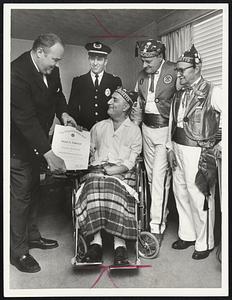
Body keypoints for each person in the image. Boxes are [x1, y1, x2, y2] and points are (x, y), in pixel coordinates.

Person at [11, 33, 78, 273]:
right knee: (20, 199)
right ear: (39, 52)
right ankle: (18, 252)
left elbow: (57, 95)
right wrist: (49, 153)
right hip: (18, 146)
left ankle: (32, 236)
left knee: (34, 192)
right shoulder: (15, 74)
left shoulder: (50, 70)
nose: (57, 65)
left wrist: (65, 114)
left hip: (38, 142)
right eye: (55, 59)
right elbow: (25, 120)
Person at [75, 88, 142, 265]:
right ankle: (96, 243)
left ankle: (119, 246)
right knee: (93, 185)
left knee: (111, 186)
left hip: (122, 175)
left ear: (126, 106)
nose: (109, 102)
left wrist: (115, 170)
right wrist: (80, 145)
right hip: (97, 171)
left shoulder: (134, 130)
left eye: (115, 100)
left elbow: (131, 161)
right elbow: (87, 153)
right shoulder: (98, 127)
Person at [167, 45, 222, 260]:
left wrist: (221, 143)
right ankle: (187, 234)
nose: (178, 74)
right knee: (180, 191)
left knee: (199, 194)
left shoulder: (213, 91)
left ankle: (204, 241)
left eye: (183, 70)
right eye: (177, 70)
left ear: (197, 67)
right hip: (178, 147)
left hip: (198, 150)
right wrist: (170, 147)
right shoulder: (179, 93)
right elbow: (173, 121)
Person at [132, 39, 177, 247]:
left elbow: (181, 104)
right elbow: (138, 103)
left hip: (164, 131)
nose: (144, 64)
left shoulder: (174, 70)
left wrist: (172, 140)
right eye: (143, 60)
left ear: (160, 57)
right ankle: (160, 215)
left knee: (159, 179)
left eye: (148, 60)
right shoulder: (142, 75)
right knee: (151, 180)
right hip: (146, 130)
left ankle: (156, 227)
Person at [68, 41, 122, 131]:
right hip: (85, 129)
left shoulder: (114, 81)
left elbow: (118, 108)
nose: (95, 63)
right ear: (89, 59)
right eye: (92, 58)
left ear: (105, 62)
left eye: (99, 59)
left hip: (107, 130)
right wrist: (77, 125)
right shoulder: (78, 81)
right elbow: (73, 108)